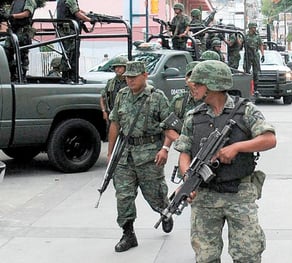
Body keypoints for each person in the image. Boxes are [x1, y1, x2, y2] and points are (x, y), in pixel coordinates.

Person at [174, 60, 277, 262]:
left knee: (247, 255)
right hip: (204, 197)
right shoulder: (193, 116)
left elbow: (269, 139)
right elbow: (184, 152)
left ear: (213, 85)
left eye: (198, 84)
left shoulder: (245, 111)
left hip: (239, 193)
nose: (192, 87)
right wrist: (187, 180)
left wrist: (237, 147)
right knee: (205, 257)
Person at [108, 61, 174, 252]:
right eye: (127, 77)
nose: (130, 81)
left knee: (155, 195)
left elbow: (169, 126)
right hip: (125, 155)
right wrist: (111, 151)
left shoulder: (157, 97)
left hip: (149, 155)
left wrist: (165, 149)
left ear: (145, 76)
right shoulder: (122, 95)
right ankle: (128, 234)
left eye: (134, 77)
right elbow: (115, 123)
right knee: (123, 196)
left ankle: (165, 211)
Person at [1, 0, 43, 82]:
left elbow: (26, 13)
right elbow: (9, 13)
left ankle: (22, 77)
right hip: (13, 30)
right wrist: (5, 15)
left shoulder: (29, 1)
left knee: (22, 55)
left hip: (23, 31)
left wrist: (12, 16)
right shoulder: (15, 1)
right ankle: (13, 75)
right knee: (7, 51)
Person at [162, 61, 202, 142]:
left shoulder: (213, 99)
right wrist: (183, 143)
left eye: (199, 77)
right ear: (186, 80)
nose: (195, 81)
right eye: (192, 77)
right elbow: (167, 127)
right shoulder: (179, 100)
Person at [56, 0, 95, 83]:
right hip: (68, 31)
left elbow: (76, 10)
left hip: (66, 30)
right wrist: (89, 19)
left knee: (72, 53)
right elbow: (76, 13)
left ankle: (72, 75)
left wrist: (87, 14)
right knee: (70, 54)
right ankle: (67, 77)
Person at [99, 56, 128, 122]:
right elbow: (102, 97)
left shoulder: (130, 82)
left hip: (127, 116)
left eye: (120, 67)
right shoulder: (111, 83)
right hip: (113, 115)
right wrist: (104, 111)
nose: (117, 69)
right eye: (116, 67)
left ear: (126, 68)